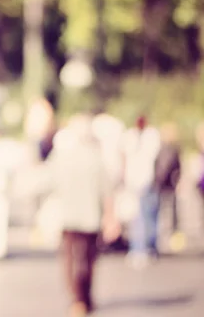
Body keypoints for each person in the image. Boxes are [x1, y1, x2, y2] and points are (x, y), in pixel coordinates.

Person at [41, 114, 116, 317]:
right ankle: (86, 297)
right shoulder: (97, 158)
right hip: (91, 218)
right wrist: (110, 217)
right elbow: (107, 191)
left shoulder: (62, 157)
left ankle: (77, 299)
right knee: (89, 260)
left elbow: (48, 182)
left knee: (71, 259)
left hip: (69, 217)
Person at [122, 115, 162, 268]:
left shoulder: (150, 136)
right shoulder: (133, 136)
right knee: (140, 217)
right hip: (136, 181)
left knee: (146, 216)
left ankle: (145, 248)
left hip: (146, 180)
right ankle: (142, 248)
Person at [153, 123, 182, 243]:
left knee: (163, 210)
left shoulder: (164, 148)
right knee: (170, 211)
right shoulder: (171, 149)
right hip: (168, 184)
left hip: (164, 184)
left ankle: (167, 234)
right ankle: (170, 233)